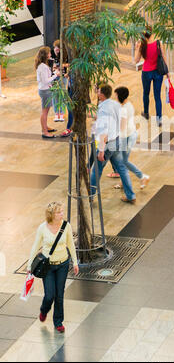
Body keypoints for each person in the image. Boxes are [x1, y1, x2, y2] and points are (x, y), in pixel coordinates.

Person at [27, 201, 79, 333]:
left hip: (63, 264)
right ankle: (44, 310)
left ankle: (58, 322)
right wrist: (29, 265)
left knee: (59, 295)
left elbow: (71, 245)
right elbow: (35, 246)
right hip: (48, 266)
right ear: (51, 214)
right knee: (50, 295)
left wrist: (75, 262)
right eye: (59, 212)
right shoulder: (42, 228)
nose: (62, 213)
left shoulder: (66, 226)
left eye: (62, 211)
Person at [90, 84, 136, 204]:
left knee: (96, 170)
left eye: (98, 91)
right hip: (116, 141)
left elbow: (104, 130)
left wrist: (101, 150)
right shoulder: (115, 104)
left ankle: (90, 195)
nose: (97, 93)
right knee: (122, 169)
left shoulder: (104, 109)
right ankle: (131, 195)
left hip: (107, 144)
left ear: (102, 94)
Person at [114, 86, 150, 190]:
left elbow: (122, 127)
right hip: (131, 134)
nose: (115, 99)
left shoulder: (124, 109)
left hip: (127, 137)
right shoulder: (128, 105)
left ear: (120, 97)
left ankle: (142, 176)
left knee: (123, 161)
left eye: (116, 96)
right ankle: (123, 182)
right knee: (123, 161)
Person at [134, 27, 169, 127]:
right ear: (152, 33)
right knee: (157, 96)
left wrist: (137, 49)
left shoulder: (142, 45)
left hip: (146, 72)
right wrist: (167, 72)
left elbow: (136, 61)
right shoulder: (158, 43)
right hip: (158, 72)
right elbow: (163, 57)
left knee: (146, 93)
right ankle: (159, 120)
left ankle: (146, 113)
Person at [35, 46, 60, 139]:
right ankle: (45, 132)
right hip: (45, 91)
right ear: (45, 55)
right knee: (44, 112)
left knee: (46, 111)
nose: (50, 54)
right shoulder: (43, 67)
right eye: (49, 53)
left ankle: (46, 127)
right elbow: (45, 81)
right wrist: (55, 75)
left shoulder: (42, 65)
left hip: (45, 90)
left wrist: (53, 73)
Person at [50, 40, 68, 123]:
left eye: (58, 48)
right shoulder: (51, 54)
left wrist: (63, 65)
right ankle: (56, 113)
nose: (56, 50)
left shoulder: (65, 54)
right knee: (55, 95)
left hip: (62, 76)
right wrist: (53, 68)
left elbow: (70, 64)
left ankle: (62, 113)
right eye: (55, 48)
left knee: (62, 94)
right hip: (53, 77)